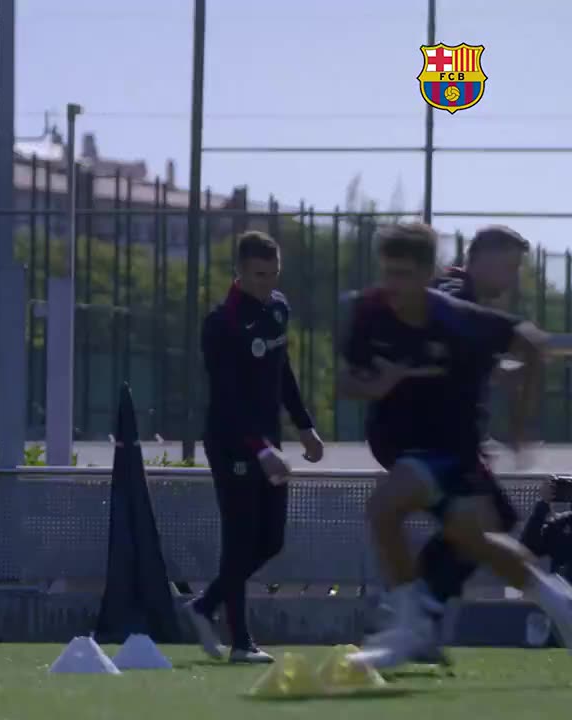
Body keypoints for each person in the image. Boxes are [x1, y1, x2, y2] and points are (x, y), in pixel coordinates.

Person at [338, 222, 572, 670]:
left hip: (450, 447)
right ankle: (555, 602)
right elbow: (349, 381)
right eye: (389, 272)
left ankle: (411, 624)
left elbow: (533, 343)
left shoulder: (457, 317)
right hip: (405, 446)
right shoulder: (370, 311)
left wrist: (521, 425)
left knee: (390, 510)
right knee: (475, 538)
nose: (394, 286)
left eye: (405, 275)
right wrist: (375, 385)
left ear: (427, 274)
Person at [382, 225, 531, 663]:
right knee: (495, 519)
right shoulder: (454, 289)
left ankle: (419, 608)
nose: (513, 278)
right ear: (482, 259)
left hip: (435, 439)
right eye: (510, 266)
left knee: (481, 523)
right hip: (429, 441)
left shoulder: (463, 298)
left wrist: (492, 369)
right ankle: (417, 603)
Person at [184, 231, 326, 664]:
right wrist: (258, 447)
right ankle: (241, 642)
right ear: (241, 273)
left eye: (274, 273)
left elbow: (282, 374)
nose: (268, 282)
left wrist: (304, 426)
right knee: (241, 539)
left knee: (271, 541)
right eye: (259, 275)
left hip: (269, 444)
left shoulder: (278, 310)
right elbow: (229, 398)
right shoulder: (222, 324)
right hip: (232, 444)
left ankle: (205, 607)